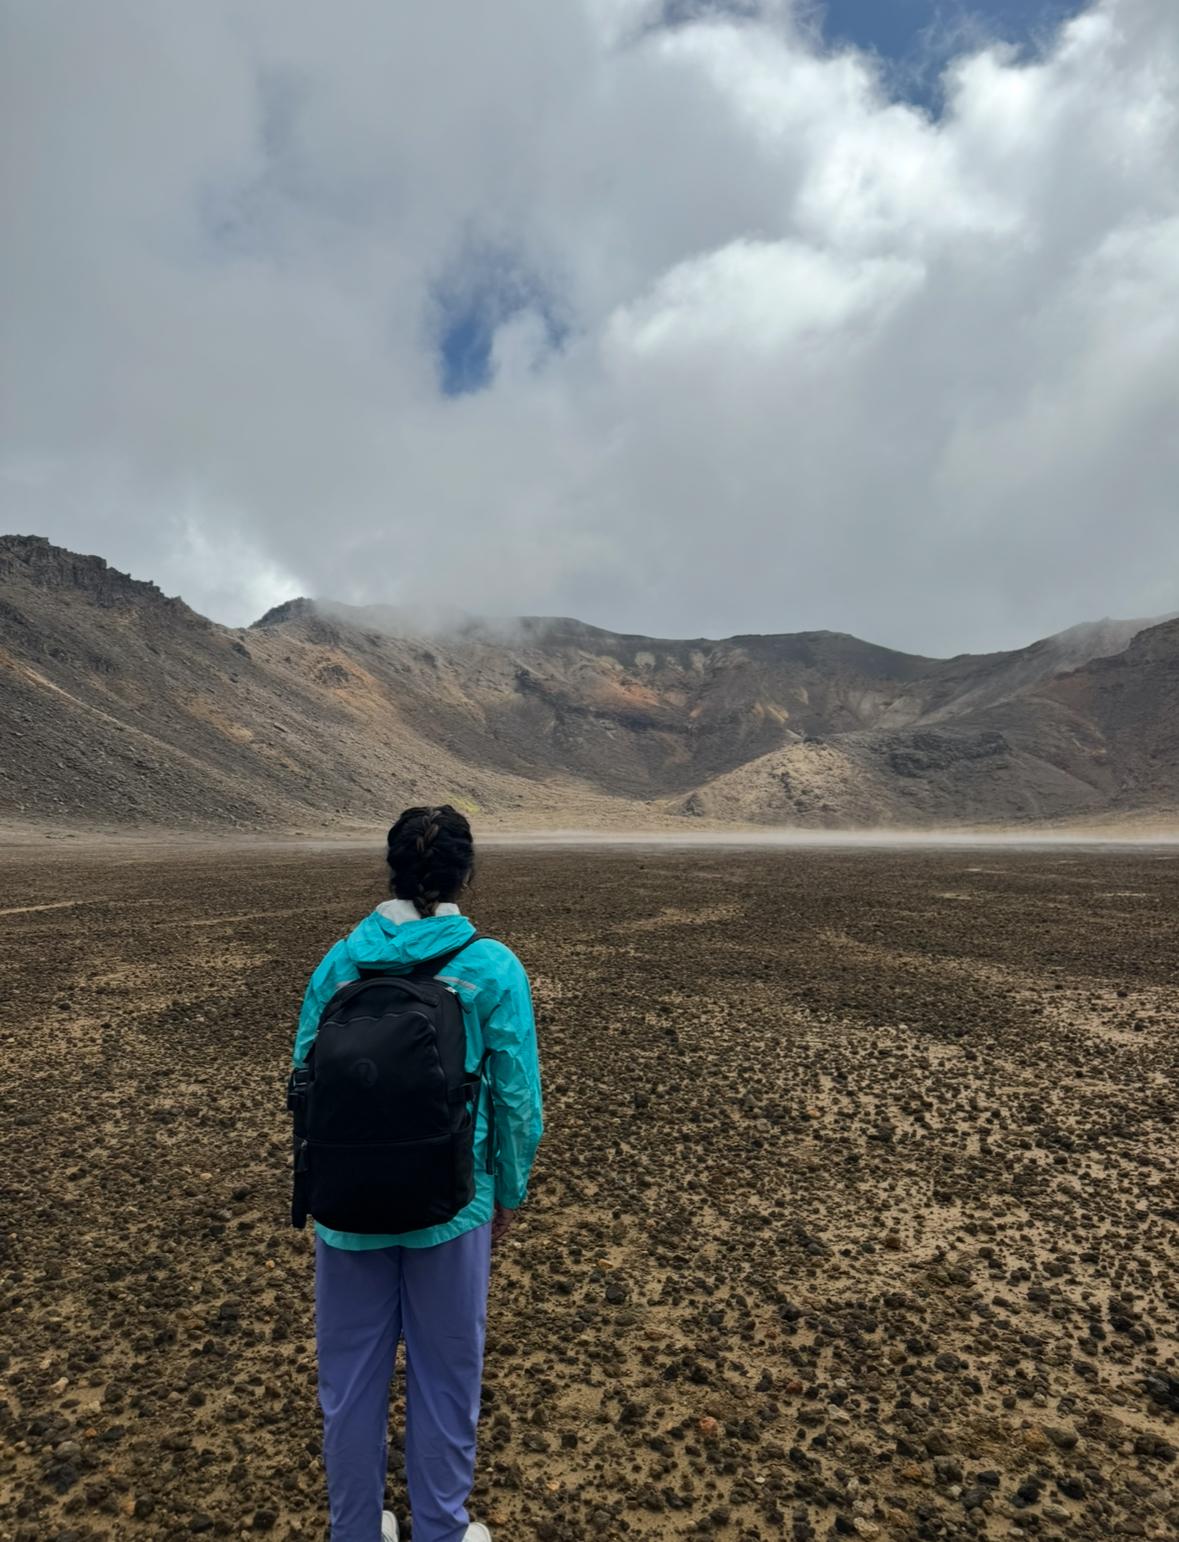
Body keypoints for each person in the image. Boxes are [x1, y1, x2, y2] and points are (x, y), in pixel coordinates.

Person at [291, 805, 544, 1542]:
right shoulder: (491, 965)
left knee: (350, 1380)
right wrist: (509, 1193)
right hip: (451, 1207)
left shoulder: (339, 962)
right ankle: (440, 1526)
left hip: (346, 1209)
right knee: (446, 1373)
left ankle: (355, 1529)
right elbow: (517, 1099)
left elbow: (304, 1078)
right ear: (466, 873)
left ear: (392, 869)